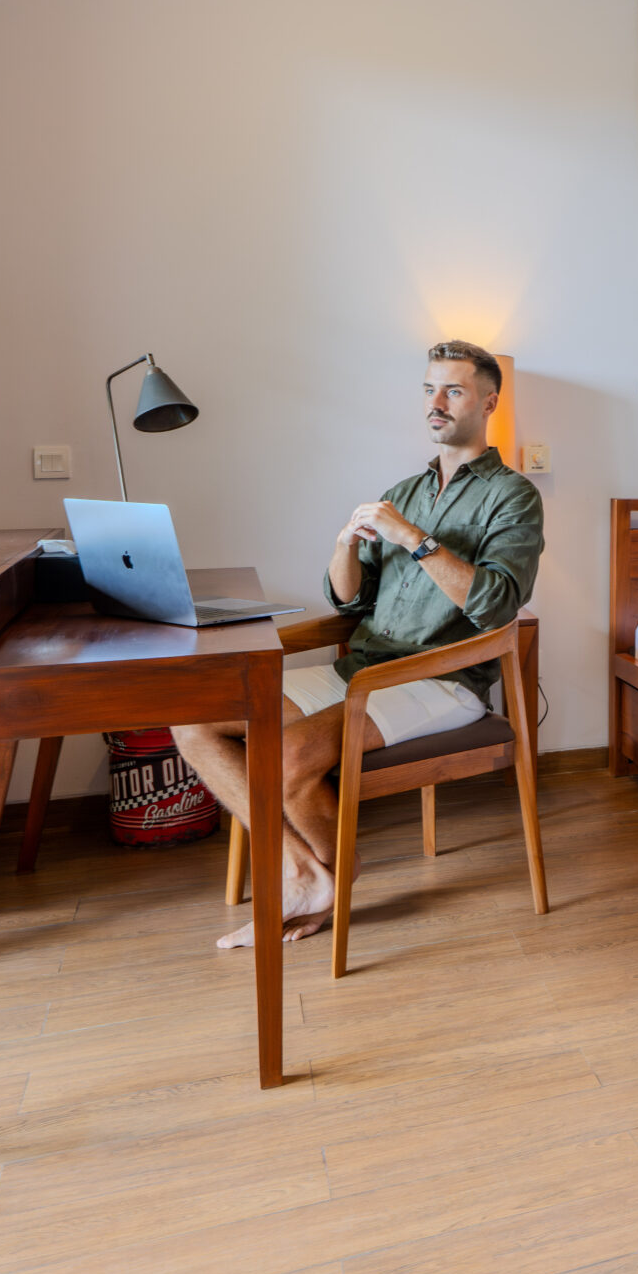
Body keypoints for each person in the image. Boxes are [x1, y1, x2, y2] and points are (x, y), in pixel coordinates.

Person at [176, 341, 544, 949]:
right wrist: (344, 545)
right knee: (194, 721)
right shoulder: (404, 490)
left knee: (288, 756)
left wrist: (416, 539)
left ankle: (322, 883)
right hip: (365, 666)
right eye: (428, 389)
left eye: (453, 390)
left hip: (442, 680)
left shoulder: (513, 495)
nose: (436, 403)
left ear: (488, 402)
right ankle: (304, 873)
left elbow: (497, 604)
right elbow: (350, 601)